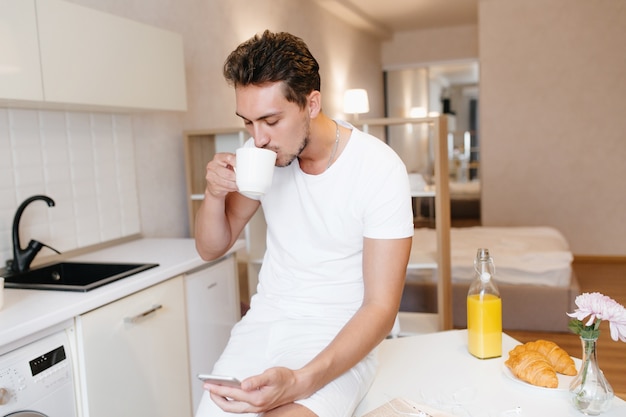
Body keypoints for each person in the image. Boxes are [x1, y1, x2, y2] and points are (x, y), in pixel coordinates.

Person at [194, 30, 414, 417]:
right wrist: (214, 193)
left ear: (311, 104)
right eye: (248, 122)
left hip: (339, 336)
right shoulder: (260, 155)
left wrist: (300, 381)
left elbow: (381, 308)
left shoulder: (379, 169)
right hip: (265, 324)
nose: (258, 138)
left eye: (271, 120)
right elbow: (211, 246)